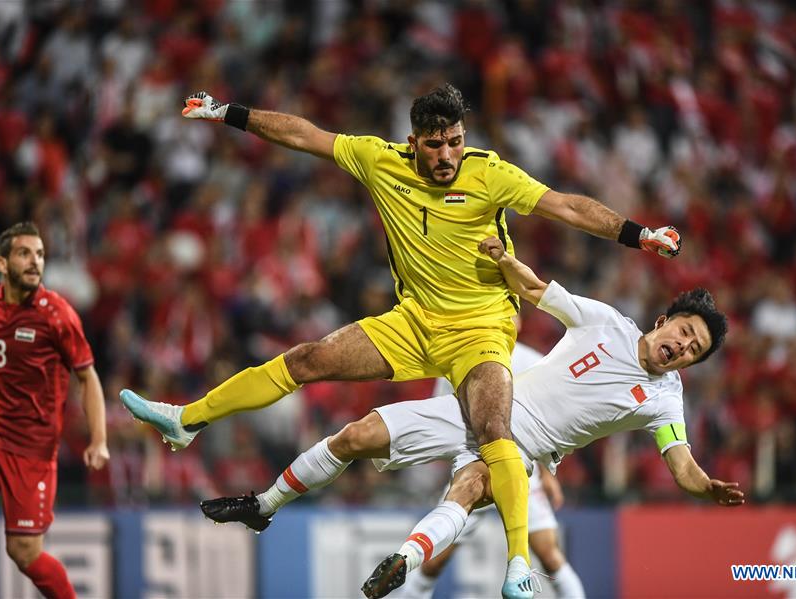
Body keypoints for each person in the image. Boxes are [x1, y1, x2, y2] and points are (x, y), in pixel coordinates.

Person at [120, 84, 681, 597]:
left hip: (482, 328)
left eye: (455, 143)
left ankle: (518, 569)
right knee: (308, 358)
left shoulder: (491, 174)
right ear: (413, 141)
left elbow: (566, 206)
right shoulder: (379, 160)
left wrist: (639, 235)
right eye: (435, 145)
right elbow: (304, 135)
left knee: (493, 431)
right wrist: (228, 114)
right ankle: (187, 420)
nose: (447, 157)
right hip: (413, 321)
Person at [199, 236, 741, 599]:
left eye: (694, 350)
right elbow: (536, 290)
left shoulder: (666, 399)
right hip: (480, 408)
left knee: (467, 487)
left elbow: (681, 464)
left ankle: (403, 567)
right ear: (664, 319)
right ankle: (263, 505)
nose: (683, 347)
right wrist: (504, 260)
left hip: (520, 455)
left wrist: (705, 488)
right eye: (684, 333)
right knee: (356, 435)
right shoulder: (605, 323)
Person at [396, 342, 585, 599]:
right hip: (474, 465)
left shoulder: (534, 360)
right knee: (434, 560)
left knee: (549, 555)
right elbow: (445, 413)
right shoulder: (458, 355)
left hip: (522, 469)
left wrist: (544, 469)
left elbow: (546, 418)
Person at [0, 222, 109, 599]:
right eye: (25, 253)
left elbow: (88, 379)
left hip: (31, 451)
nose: (34, 262)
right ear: (2, 263)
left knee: (24, 551)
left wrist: (99, 440)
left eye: (39, 254)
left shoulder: (57, 315)